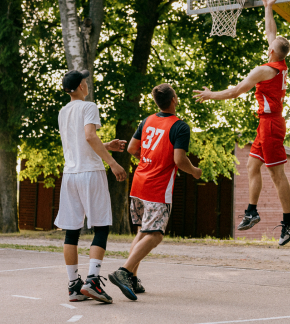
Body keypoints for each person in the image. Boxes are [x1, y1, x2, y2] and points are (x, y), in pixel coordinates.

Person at [193, 0, 290, 246]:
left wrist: (210, 95)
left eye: (270, 43)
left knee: (277, 175)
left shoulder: (265, 70)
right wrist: (268, 7)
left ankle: (289, 219)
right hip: (266, 123)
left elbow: (234, 91)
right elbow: (270, 30)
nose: (268, 41)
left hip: (271, 125)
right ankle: (252, 211)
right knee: (252, 167)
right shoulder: (280, 61)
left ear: (272, 50)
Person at [108, 84, 201, 300]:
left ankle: (131, 277)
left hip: (139, 183)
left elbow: (132, 148)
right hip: (157, 188)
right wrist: (194, 171)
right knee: (156, 234)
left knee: (142, 232)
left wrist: (148, 161)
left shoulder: (147, 121)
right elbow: (179, 160)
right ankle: (124, 271)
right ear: (174, 99)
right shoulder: (179, 126)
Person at [55, 70, 127, 304]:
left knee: (72, 231)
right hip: (91, 173)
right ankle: (92, 281)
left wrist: (107, 145)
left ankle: (74, 286)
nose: (87, 83)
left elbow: (80, 143)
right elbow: (88, 136)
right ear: (79, 87)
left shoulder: (63, 112)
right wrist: (113, 163)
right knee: (102, 226)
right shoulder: (89, 106)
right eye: (84, 81)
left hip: (71, 174)